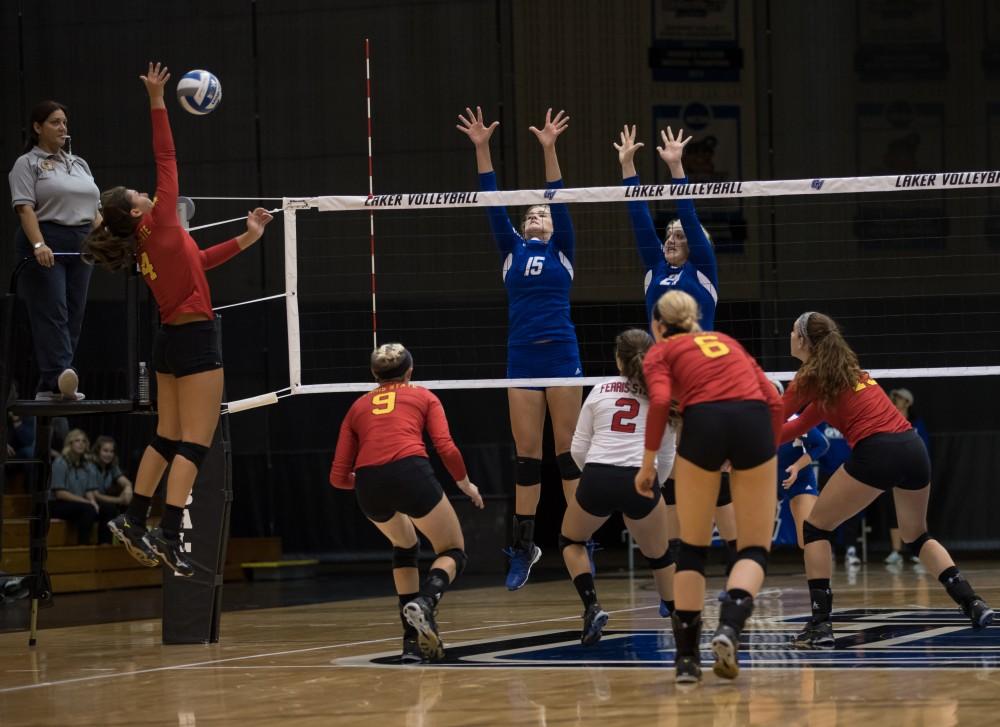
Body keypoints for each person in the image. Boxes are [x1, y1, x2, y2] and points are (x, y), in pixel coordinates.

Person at [83, 63, 273, 576]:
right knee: (195, 441)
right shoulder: (160, 218)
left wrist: (248, 239)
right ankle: (168, 533)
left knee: (167, 437)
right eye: (138, 196)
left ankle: (134, 519)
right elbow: (165, 155)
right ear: (137, 210)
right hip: (192, 338)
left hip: (169, 340)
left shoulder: (148, 244)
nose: (146, 192)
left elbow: (201, 262)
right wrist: (157, 98)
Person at [780, 311, 994, 649]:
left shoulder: (810, 378)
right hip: (913, 448)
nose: (788, 335)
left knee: (815, 527)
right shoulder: (845, 374)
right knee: (917, 534)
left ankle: (820, 626)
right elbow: (791, 428)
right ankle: (973, 603)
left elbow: (773, 416)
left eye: (793, 331)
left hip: (878, 450)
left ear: (805, 340)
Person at [457, 106, 583, 590]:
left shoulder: (562, 250)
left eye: (542, 213)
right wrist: (482, 148)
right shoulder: (510, 250)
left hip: (561, 355)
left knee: (567, 453)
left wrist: (549, 149)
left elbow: (562, 199)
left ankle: (580, 535)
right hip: (522, 359)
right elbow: (491, 202)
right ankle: (524, 544)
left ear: (551, 226)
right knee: (527, 456)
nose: (536, 215)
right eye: (530, 212)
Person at [634, 291, 782, 684]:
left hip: (704, 423)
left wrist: (648, 464)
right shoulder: (728, 342)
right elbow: (774, 400)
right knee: (753, 547)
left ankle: (686, 661)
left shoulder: (661, 351)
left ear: (659, 325)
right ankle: (730, 626)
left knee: (693, 548)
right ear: (695, 318)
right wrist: (765, 449)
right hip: (753, 422)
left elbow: (662, 400)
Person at [614, 125, 736, 572]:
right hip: (662, 376)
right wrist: (628, 168)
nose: (671, 239)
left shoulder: (703, 269)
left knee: (706, 465)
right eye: (669, 235)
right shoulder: (653, 269)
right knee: (665, 469)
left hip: (701, 376)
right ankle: (673, 559)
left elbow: (686, 210)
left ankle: (734, 551)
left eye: (680, 236)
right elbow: (639, 220)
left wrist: (675, 167)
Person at [329, 343, 483, 663]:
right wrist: (465, 484)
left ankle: (411, 643)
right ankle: (426, 601)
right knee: (453, 551)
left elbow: (338, 477)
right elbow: (445, 446)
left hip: (369, 484)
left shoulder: (357, 406)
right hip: (410, 472)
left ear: (374, 375)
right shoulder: (423, 395)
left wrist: (373, 482)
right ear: (410, 371)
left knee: (405, 545)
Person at [562, 329, 677, 645]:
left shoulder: (599, 390)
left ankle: (592, 607)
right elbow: (667, 455)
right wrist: (657, 484)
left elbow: (577, 447)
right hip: (641, 478)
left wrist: (595, 476)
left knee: (571, 541)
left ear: (617, 358)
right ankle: (679, 616)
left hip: (597, 475)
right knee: (660, 556)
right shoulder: (662, 396)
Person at [8, 100, 101, 400]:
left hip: (82, 243)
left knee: (75, 313)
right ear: (37, 127)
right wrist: (38, 244)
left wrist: (110, 242)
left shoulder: (80, 163)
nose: (63, 127)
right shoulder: (27, 163)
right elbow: (24, 208)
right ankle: (58, 375)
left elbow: (95, 212)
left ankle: (52, 386)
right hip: (46, 239)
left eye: (64, 122)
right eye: (55, 122)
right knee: (53, 310)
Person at [770, 380, 828, 549]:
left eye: (772, 392)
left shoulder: (794, 419)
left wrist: (796, 466)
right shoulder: (752, 421)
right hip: (767, 482)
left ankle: (820, 574)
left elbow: (821, 444)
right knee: (754, 540)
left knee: (809, 539)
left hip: (799, 480)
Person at [884, 387, 929, 565]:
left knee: (917, 513)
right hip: (891, 473)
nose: (897, 404)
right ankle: (896, 551)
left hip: (913, 473)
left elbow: (924, 448)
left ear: (908, 403)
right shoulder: (887, 424)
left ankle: (919, 550)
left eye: (900, 401)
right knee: (893, 512)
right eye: (894, 401)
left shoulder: (917, 425)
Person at [50, 429, 114, 544]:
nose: (81, 443)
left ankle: (105, 545)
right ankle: (83, 546)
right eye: (77, 440)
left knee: (108, 508)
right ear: (70, 443)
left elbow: (89, 490)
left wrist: (92, 501)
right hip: (58, 504)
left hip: (79, 503)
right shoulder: (60, 462)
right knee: (87, 509)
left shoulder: (87, 464)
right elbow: (60, 493)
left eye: (84, 441)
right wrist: (86, 502)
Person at [91, 435, 133, 511]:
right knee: (109, 508)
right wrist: (120, 500)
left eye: (111, 451)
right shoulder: (91, 466)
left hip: (105, 500)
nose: (109, 454)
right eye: (105, 451)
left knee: (130, 503)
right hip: (90, 501)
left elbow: (126, 483)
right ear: (97, 451)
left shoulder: (112, 466)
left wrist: (127, 490)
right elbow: (95, 495)